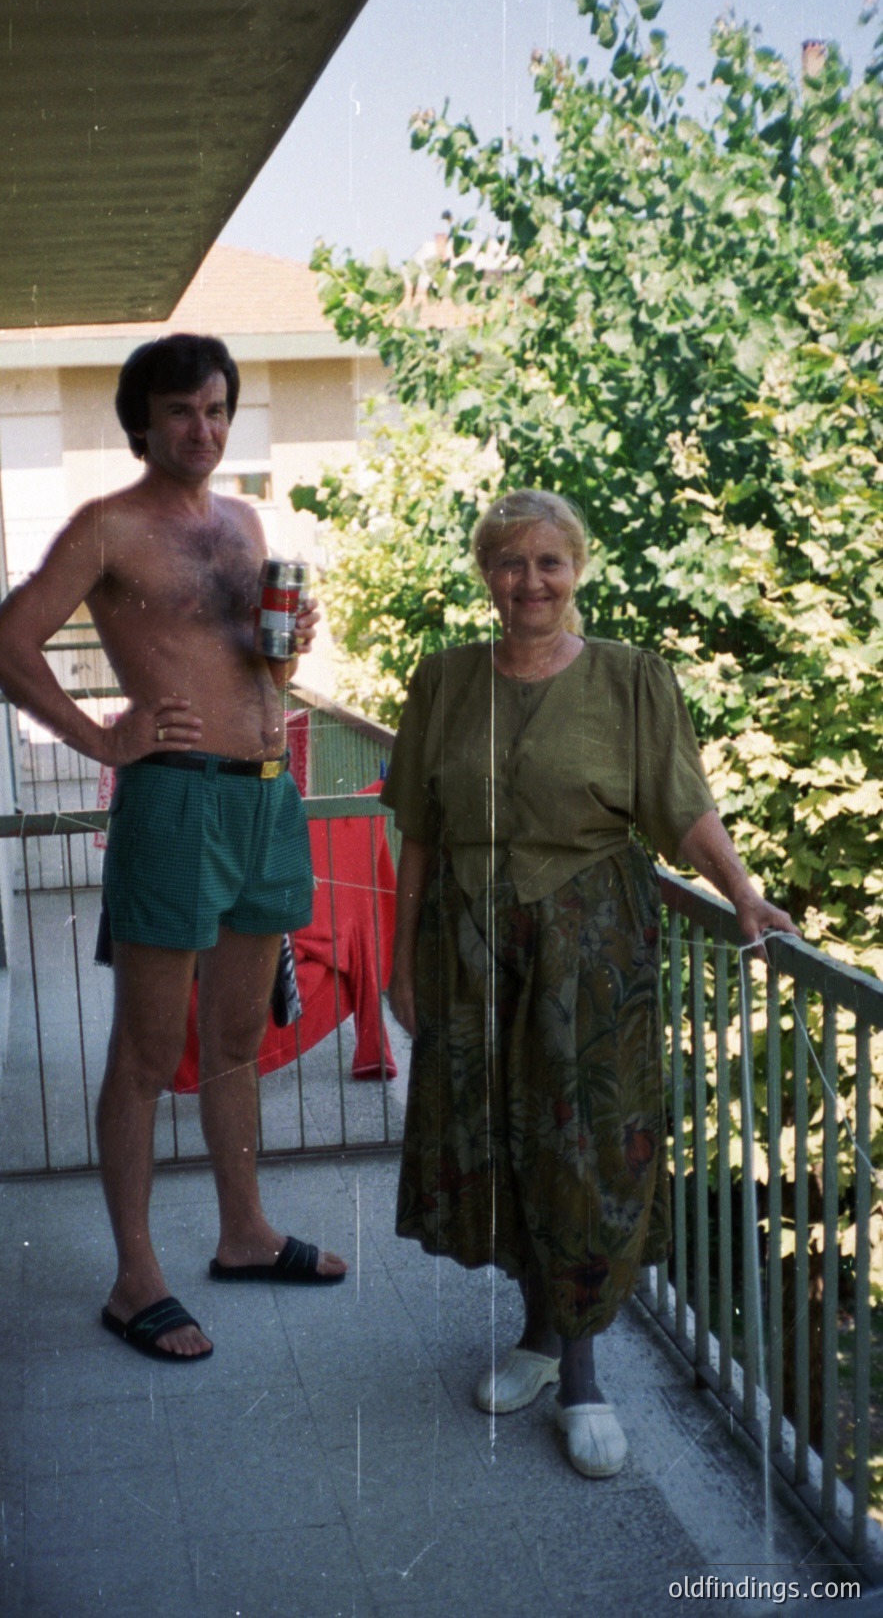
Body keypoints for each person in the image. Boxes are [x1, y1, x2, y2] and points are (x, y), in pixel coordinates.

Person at [381, 490, 795, 1477]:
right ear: (485, 572)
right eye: (509, 562)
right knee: (500, 1147)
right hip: (471, 945)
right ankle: (533, 1339)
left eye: (548, 563)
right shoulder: (441, 682)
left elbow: (682, 807)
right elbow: (418, 837)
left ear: (579, 571)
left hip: (589, 949)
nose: (529, 581)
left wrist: (739, 890)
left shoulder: (631, 679)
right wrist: (401, 963)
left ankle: (581, 1378)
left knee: (585, 1150)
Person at [0, 333, 346, 1365]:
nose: (205, 428)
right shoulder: (107, 527)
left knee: (234, 1042)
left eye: (219, 409)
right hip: (175, 800)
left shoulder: (243, 520)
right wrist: (103, 736)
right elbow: (6, 644)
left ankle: (244, 1233)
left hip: (267, 799)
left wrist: (292, 640)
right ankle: (135, 1277)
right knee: (145, 1053)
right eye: (183, 410)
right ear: (143, 421)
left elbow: (245, 661)